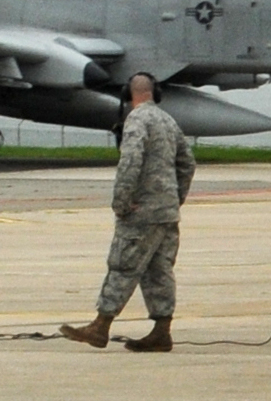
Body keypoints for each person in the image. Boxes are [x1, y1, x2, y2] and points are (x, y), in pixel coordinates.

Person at [62, 73, 195, 351]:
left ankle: (101, 326)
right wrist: (174, 198)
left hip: (142, 213)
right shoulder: (167, 120)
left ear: (128, 93)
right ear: (154, 93)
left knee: (122, 265)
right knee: (159, 271)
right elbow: (187, 163)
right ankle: (161, 331)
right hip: (167, 213)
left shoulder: (137, 120)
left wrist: (121, 203)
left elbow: (130, 161)